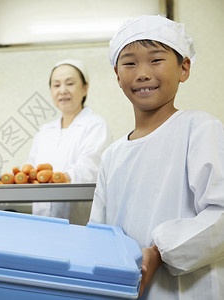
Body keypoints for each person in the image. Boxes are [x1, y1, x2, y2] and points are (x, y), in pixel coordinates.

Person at [89, 15, 224, 299]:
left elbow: (220, 214)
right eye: (129, 63)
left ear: (184, 67)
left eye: (156, 60)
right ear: (117, 74)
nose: (142, 73)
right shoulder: (112, 155)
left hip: (189, 290)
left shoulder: (199, 129)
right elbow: (98, 235)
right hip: (127, 290)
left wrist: (160, 252)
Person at [28, 60, 112, 219]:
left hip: (79, 222)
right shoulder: (45, 131)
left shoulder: (96, 125)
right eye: (56, 85)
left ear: (85, 88)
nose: (62, 90)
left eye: (70, 83)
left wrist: (59, 178)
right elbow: (32, 169)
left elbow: (90, 169)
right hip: (41, 221)